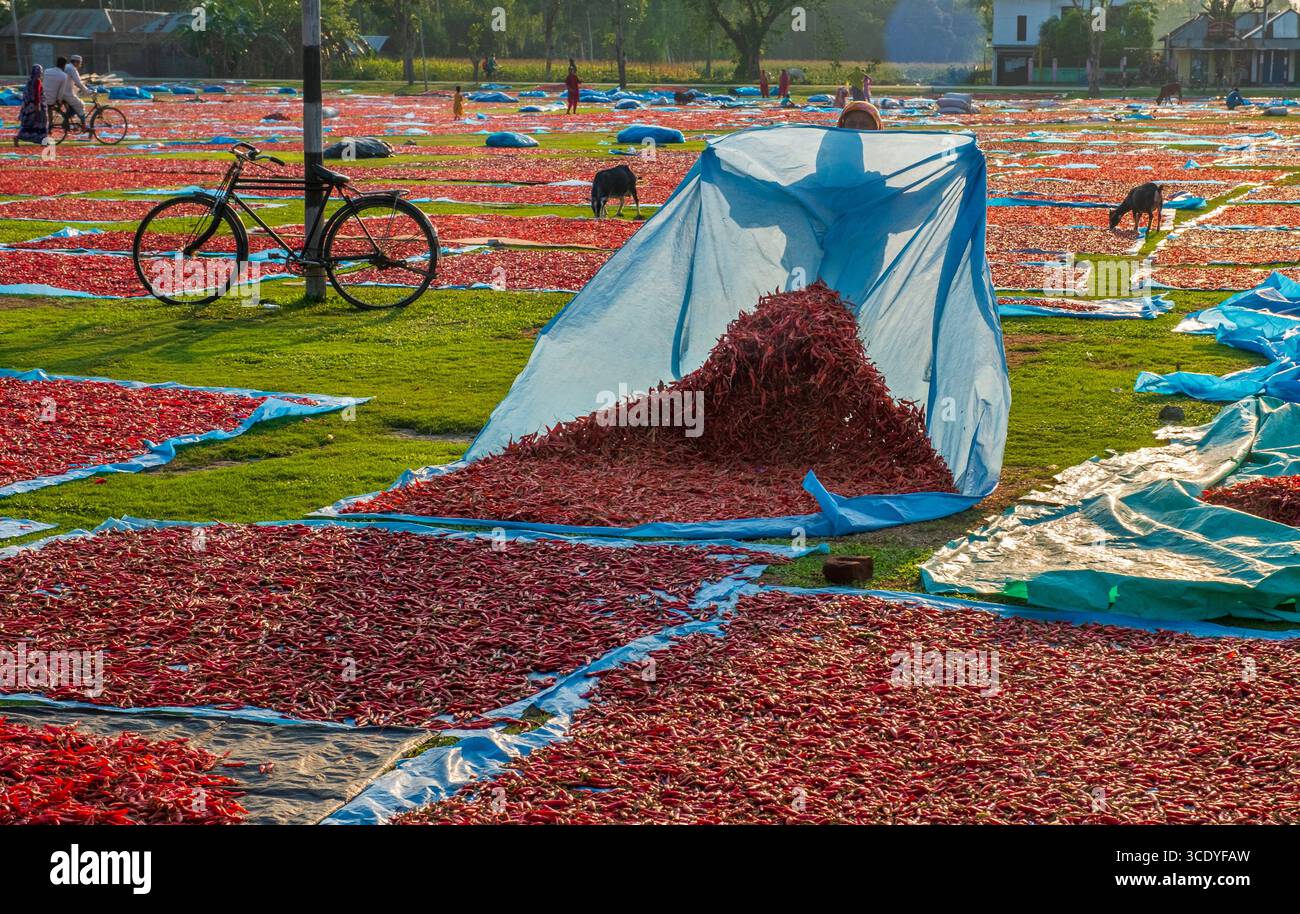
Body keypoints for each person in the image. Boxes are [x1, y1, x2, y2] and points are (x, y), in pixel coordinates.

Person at [14, 65, 47, 146]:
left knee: (29, 124)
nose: (41, 73)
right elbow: (37, 94)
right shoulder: (37, 81)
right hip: (35, 106)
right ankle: (43, 141)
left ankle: (18, 137)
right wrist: (37, 105)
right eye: (40, 71)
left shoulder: (29, 81)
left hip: (28, 106)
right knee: (41, 123)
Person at [62, 54, 89, 126]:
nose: (80, 64)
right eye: (80, 62)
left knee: (73, 106)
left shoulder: (66, 66)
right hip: (66, 93)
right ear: (76, 62)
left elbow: (74, 81)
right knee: (81, 105)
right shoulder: (72, 69)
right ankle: (84, 125)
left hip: (61, 92)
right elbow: (78, 82)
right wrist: (88, 91)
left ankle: (66, 120)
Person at [42, 55, 67, 120]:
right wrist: (59, 101)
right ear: (64, 65)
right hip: (51, 100)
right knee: (66, 102)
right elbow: (61, 92)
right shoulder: (64, 76)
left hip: (42, 97)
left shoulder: (46, 71)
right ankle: (50, 124)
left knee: (47, 109)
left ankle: (48, 123)